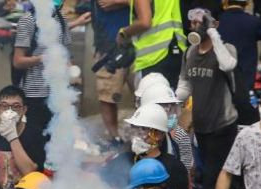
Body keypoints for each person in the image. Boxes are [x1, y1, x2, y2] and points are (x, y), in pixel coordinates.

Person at [176, 7, 237, 189]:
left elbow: (228, 64)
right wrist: (171, 101)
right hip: (201, 127)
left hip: (222, 125)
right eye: (191, 23)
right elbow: (185, 83)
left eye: (199, 23)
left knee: (211, 179)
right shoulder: (190, 53)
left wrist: (212, 34)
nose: (194, 27)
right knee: (221, 177)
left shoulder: (226, 49)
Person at [12, 0, 91, 137]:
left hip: (58, 91)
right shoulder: (28, 21)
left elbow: (65, 53)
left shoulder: (61, 19)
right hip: (35, 94)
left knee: (59, 137)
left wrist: (72, 73)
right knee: (37, 139)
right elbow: (17, 61)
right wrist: (42, 58)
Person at [101, 103, 189, 189]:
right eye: (134, 127)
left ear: (158, 134)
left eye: (142, 128)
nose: (136, 134)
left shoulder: (173, 168)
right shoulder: (123, 160)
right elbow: (98, 183)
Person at [215, 0, 261, 125]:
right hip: (244, 87)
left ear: (226, 2)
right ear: (247, 3)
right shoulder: (253, 21)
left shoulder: (217, 22)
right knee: (247, 126)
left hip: (221, 84)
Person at [137, 81, 194, 189]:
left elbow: (186, 176)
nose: (168, 113)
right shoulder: (137, 140)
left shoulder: (180, 137)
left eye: (171, 107)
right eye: (163, 107)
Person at [92, 0, 133, 141]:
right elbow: (105, 3)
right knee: (108, 95)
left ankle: (149, 138)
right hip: (109, 44)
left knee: (145, 94)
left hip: (140, 42)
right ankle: (114, 138)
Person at [120, 0, 183, 90]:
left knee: (150, 101)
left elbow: (145, 22)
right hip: (175, 49)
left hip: (152, 58)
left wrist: (123, 33)